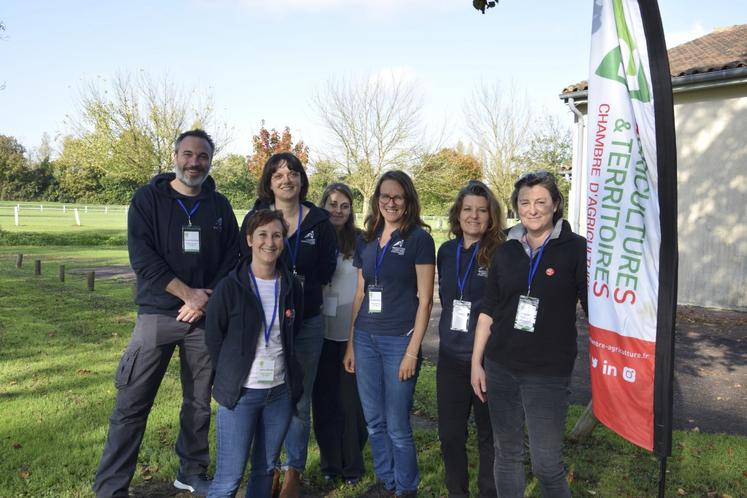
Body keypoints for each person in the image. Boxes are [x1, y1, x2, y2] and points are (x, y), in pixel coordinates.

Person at [93, 129, 240, 498]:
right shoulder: (147, 200)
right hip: (157, 316)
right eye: (188, 154)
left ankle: (191, 472)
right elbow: (143, 259)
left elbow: (233, 259)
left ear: (210, 160)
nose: (195, 162)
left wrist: (204, 300)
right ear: (175, 156)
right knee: (132, 403)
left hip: (203, 319)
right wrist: (187, 294)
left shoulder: (219, 206)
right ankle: (111, 488)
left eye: (202, 156)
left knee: (198, 403)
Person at [471, 171, 587, 498]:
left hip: (547, 373)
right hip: (500, 367)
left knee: (546, 465)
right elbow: (489, 309)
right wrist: (476, 363)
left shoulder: (576, 249)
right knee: (507, 454)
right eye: (525, 202)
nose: (532, 209)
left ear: (555, 205)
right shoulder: (505, 249)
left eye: (540, 202)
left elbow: (594, 307)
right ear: (516, 206)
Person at [239, 152, 337, 498]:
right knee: (263, 394)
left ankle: (292, 470)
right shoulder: (254, 218)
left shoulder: (320, 222)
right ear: (269, 181)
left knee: (298, 396)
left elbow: (326, 270)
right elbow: (244, 266)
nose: (286, 179)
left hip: (306, 323)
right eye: (278, 174)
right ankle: (265, 470)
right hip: (264, 324)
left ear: (301, 179)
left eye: (293, 172)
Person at [344, 170, 435, 498]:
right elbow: (359, 294)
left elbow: (425, 302)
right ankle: (387, 481)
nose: (391, 202)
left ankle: (406, 488)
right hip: (365, 338)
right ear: (377, 200)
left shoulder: (419, 240)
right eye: (385, 196)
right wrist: (351, 343)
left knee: (397, 425)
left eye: (398, 196)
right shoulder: (366, 238)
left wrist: (412, 351)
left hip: (399, 341)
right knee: (374, 420)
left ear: (408, 199)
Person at [205, 209, 304, 498]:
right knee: (229, 478)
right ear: (249, 239)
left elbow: (291, 332)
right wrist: (232, 372)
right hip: (242, 394)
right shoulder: (230, 287)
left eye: (276, 235)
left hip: (279, 394)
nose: (269, 242)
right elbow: (214, 338)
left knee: (265, 469)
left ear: (284, 241)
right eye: (262, 234)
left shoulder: (290, 285)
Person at [436, 181, 504, 498]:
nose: (474, 216)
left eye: (481, 210)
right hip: (450, 358)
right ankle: (457, 492)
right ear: (457, 213)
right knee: (450, 435)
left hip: (489, 361)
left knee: (489, 438)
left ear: (491, 216)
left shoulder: (502, 253)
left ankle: (488, 493)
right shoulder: (446, 252)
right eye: (467, 209)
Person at [312, 183, 368, 485]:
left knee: (350, 405)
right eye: (332, 204)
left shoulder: (360, 241)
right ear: (323, 205)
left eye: (344, 205)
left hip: (350, 333)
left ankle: (353, 466)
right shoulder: (313, 237)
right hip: (319, 333)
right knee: (323, 403)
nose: (338, 210)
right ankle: (330, 464)